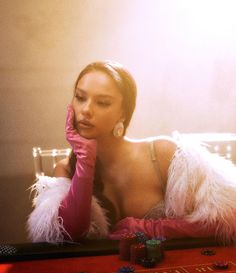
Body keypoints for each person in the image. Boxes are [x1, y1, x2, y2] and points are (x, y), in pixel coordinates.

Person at [27, 61, 236, 245]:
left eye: (102, 103)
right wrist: (85, 161)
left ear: (123, 113)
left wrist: (149, 229)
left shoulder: (162, 153)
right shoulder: (66, 168)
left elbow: (228, 217)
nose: (86, 109)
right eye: (80, 97)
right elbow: (67, 234)